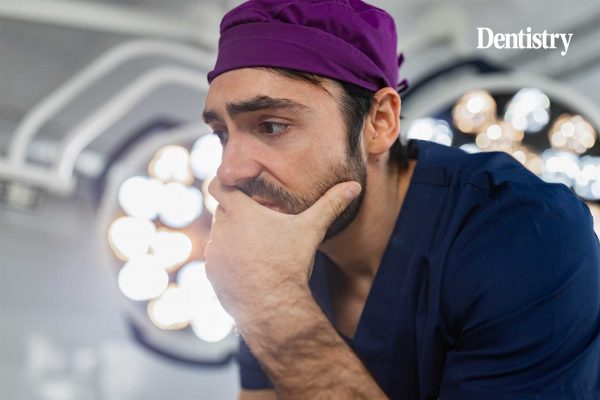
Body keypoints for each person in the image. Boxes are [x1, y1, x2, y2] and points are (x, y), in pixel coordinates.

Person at [201, 1, 600, 398]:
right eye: (222, 134)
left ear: (380, 122)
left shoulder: (528, 236)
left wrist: (272, 303)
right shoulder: (276, 249)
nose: (229, 171)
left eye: (272, 126)